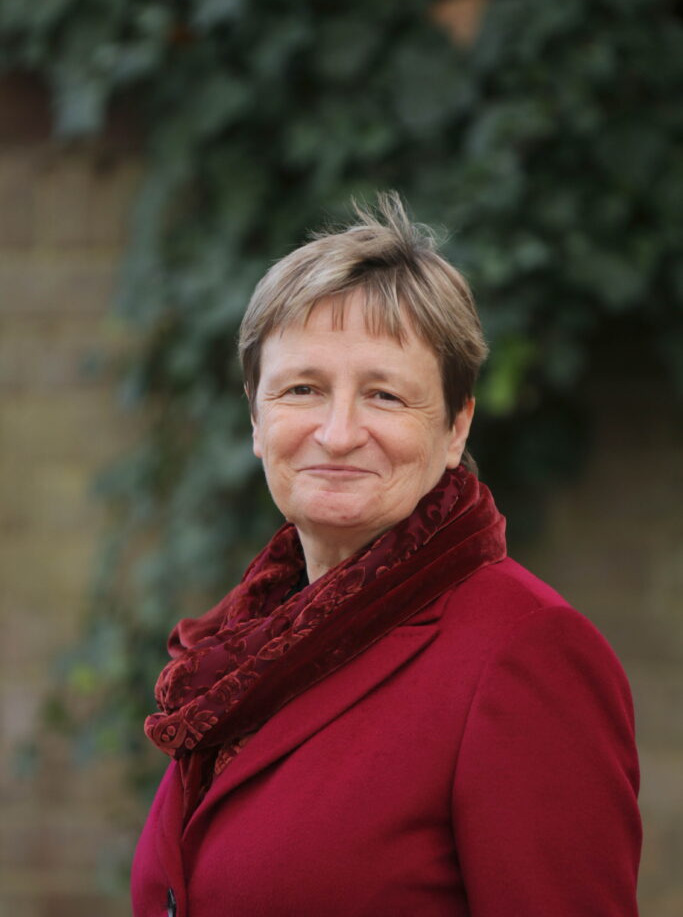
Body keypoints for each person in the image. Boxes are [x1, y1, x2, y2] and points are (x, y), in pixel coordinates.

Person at [131, 193, 641, 917]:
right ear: (255, 417)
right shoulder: (247, 653)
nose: (337, 434)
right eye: (302, 389)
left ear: (456, 426)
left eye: (384, 396)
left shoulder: (524, 652)